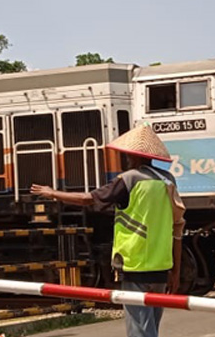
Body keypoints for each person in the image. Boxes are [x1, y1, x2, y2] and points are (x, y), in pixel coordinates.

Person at [31, 124, 185, 337]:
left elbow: (88, 199)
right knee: (152, 328)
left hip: (135, 264)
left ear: (132, 155)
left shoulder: (129, 179)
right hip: (161, 265)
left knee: (139, 330)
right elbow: (177, 228)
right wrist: (175, 271)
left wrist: (52, 193)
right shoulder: (168, 180)